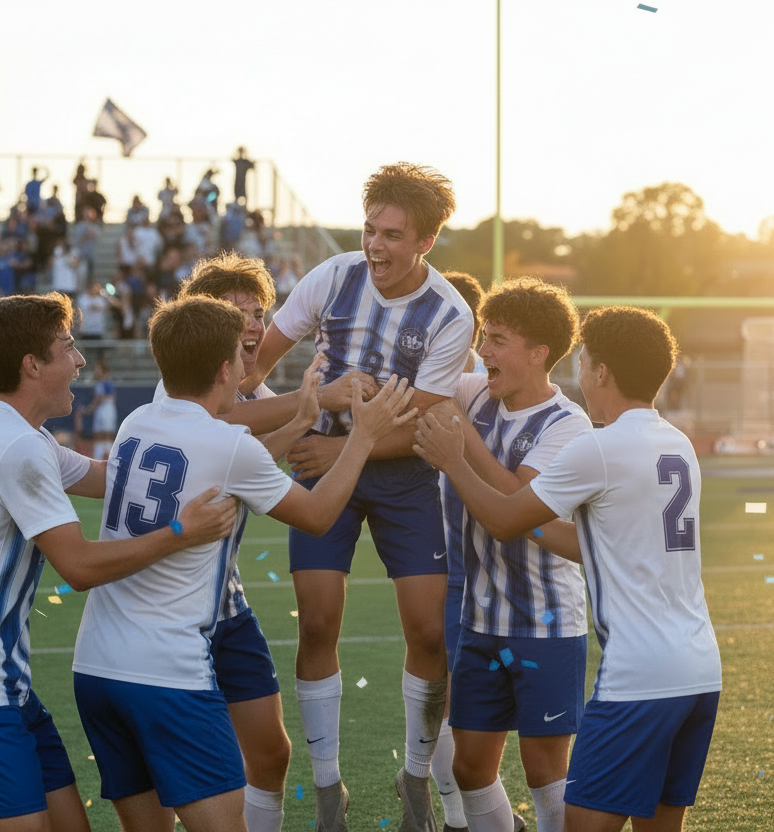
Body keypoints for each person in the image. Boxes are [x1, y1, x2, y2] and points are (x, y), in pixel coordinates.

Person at [72, 295, 418, 832]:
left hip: (95, 667)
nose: (247, 367)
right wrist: (365, 437)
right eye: (241, 355)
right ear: (224, 368)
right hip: (166, 672)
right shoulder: (228, 445)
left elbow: (236, 466)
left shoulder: (138, 420)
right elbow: (319, 514)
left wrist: (301, 417)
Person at [0, 292, 239, 831]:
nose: (80, 360)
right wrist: (180, 532)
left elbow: (117, 478)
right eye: (68, 347)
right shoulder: (18, 449)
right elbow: (77, 568)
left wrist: (221, 453)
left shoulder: (9, 433)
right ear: (33, 365)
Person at [415, 305, 722, 832]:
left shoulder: (599, 447)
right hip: (699, 667)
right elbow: (588, 540)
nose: (577, 372)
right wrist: (528, 519)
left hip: (638, 674)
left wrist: (454, 461)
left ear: (600, 371)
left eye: (582, 361)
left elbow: (507, 519)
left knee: (580, 821)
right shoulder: (677, 444)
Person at [240, 162, 472, 832]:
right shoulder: (333, 276)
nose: (375, 245)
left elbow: (423, 425)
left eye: (393, 235)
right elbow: (257, 365)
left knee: (429, 631)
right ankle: (327, 789)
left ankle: (417, 777)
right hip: (321, 463)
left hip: (397, 471)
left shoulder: (450, 314)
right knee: (316, 622)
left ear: (425, 242)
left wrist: (337, 448)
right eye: (370, 229)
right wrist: (285, 414)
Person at [424, 277, 592, 832]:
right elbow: (420, 387)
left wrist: (459, 446)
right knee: (470, 766)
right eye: (482, 337)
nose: (483, 351)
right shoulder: (475, 393)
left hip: (544, 623)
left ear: (538, 354)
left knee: (546, 772)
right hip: (480, 621)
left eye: (497, 340)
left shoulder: (568, 425)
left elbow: (515, 504)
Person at [80, 358, 117, 460]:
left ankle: (108, 456)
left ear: (103, 370)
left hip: (106, 410)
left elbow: (99, 399)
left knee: (106, 434)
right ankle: (99, 457)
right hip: (103, 410)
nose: (96, 371)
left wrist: (88, 409)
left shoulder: (105, 383)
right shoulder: (101, 384)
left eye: (98, 369)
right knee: (99, 434)